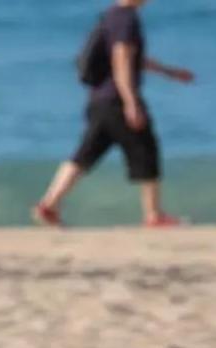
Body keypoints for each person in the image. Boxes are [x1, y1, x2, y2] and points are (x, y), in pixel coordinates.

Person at [34, 0, 195, 227]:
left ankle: (49, 204)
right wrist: (131, 101)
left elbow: (133, 58)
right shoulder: (126, 18)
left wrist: (169, 72)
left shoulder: (111, 16)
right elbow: (122, 59)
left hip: (99, 99)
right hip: (116, 100)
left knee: (86, 153)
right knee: (146, 148)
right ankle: (154, 215)